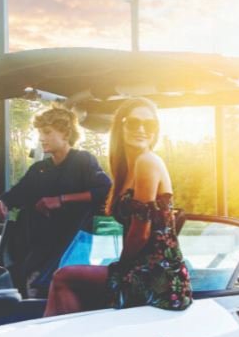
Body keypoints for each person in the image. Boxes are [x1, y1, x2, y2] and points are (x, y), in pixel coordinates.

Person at [44, 98, 191, 315]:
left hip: (160, 278)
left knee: (63, 278)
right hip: (141, 268)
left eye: (149, 125)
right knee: (68, 284)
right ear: (121, 126)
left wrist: (120, 267)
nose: (141, 129)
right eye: (133, 123)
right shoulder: (125, 170)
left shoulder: (147, 162)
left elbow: (141, 233)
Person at [0, 106, 111, 297]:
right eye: (40, 133)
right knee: (28, 289)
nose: (41, 138)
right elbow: (16, 194)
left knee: (52, 292)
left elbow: (105, 190)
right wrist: (1, 202)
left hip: (72, 246)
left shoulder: (82, 160)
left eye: (47, 132)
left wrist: (61, 200)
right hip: (39, 247)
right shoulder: (39, 169)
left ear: (65, 133)